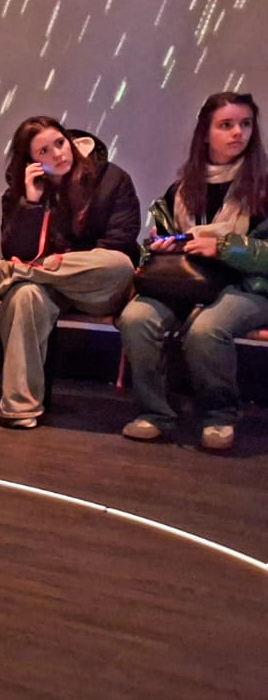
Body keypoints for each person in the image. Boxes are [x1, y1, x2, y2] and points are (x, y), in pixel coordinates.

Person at [0, 117, 140, 428]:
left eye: (60, 143)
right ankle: (20, 408)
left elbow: (121, 241)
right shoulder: (21, 194)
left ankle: (8, 273)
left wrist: (61, 265)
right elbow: (17, 249)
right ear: (30, 161)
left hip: (98, 286)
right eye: (44, 151)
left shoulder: (113, 179)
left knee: (119, 263)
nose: (58, 154)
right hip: (48, 287)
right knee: (23, 295)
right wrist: (31, 204)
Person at [118, 91, 268, 452]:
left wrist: (224, 247)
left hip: (249, 286)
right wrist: (162, 246)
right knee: (136, 318)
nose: (238, 133)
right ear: (205, 134)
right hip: (187, 283)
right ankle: (155, 413)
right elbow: (152, 241)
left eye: (246, 124)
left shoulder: (263, 186)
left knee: (207, 330)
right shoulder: (182, 188)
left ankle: (219, 416)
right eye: (226, 125)